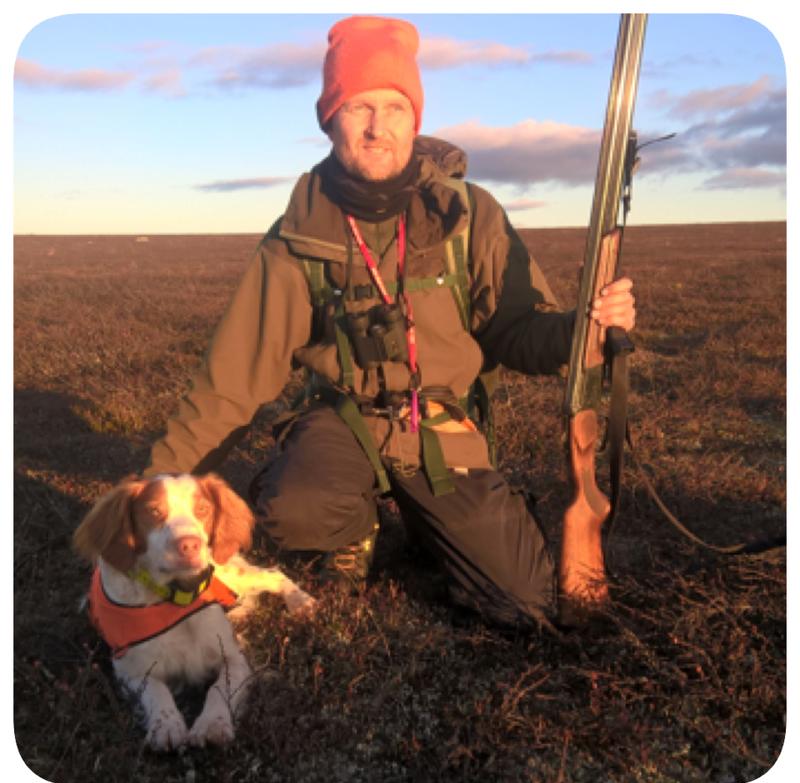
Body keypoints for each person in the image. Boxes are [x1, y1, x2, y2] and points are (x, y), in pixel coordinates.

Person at [144, 15, 636, 629]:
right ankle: (352, 530)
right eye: (358, 107)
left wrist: (581, 330)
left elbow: (517, 330)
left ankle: (436, 526)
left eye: (395, 107)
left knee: (522, 602)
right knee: (295, 509)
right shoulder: (297, 233)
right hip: (340, 421)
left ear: (415, 118)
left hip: (439, 423)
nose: (378, 127)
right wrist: (151, 492)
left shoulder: (470, 216)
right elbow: (231, 381)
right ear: (330, 119)